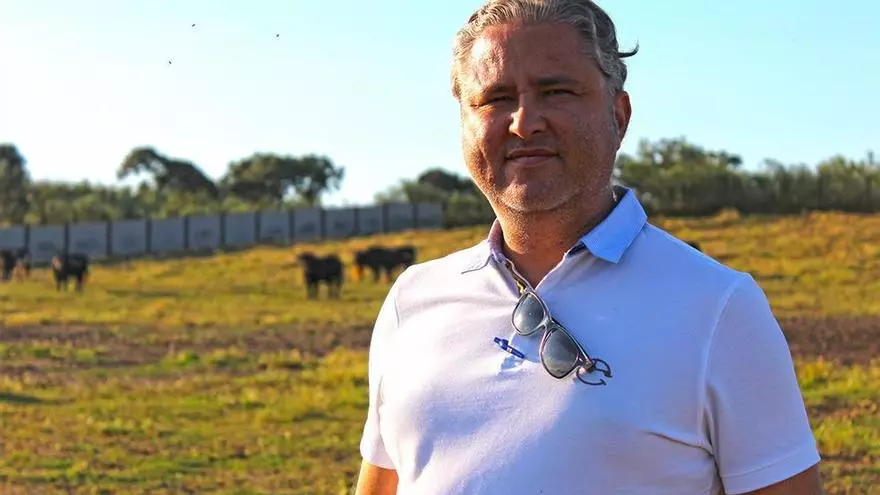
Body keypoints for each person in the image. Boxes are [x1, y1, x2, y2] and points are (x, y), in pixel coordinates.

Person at [354, 1, 823, 493]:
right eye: (495, 98)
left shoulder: (719, 309)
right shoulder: (412, 299)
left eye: (556, 91)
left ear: (618, 116)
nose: (523, 123)